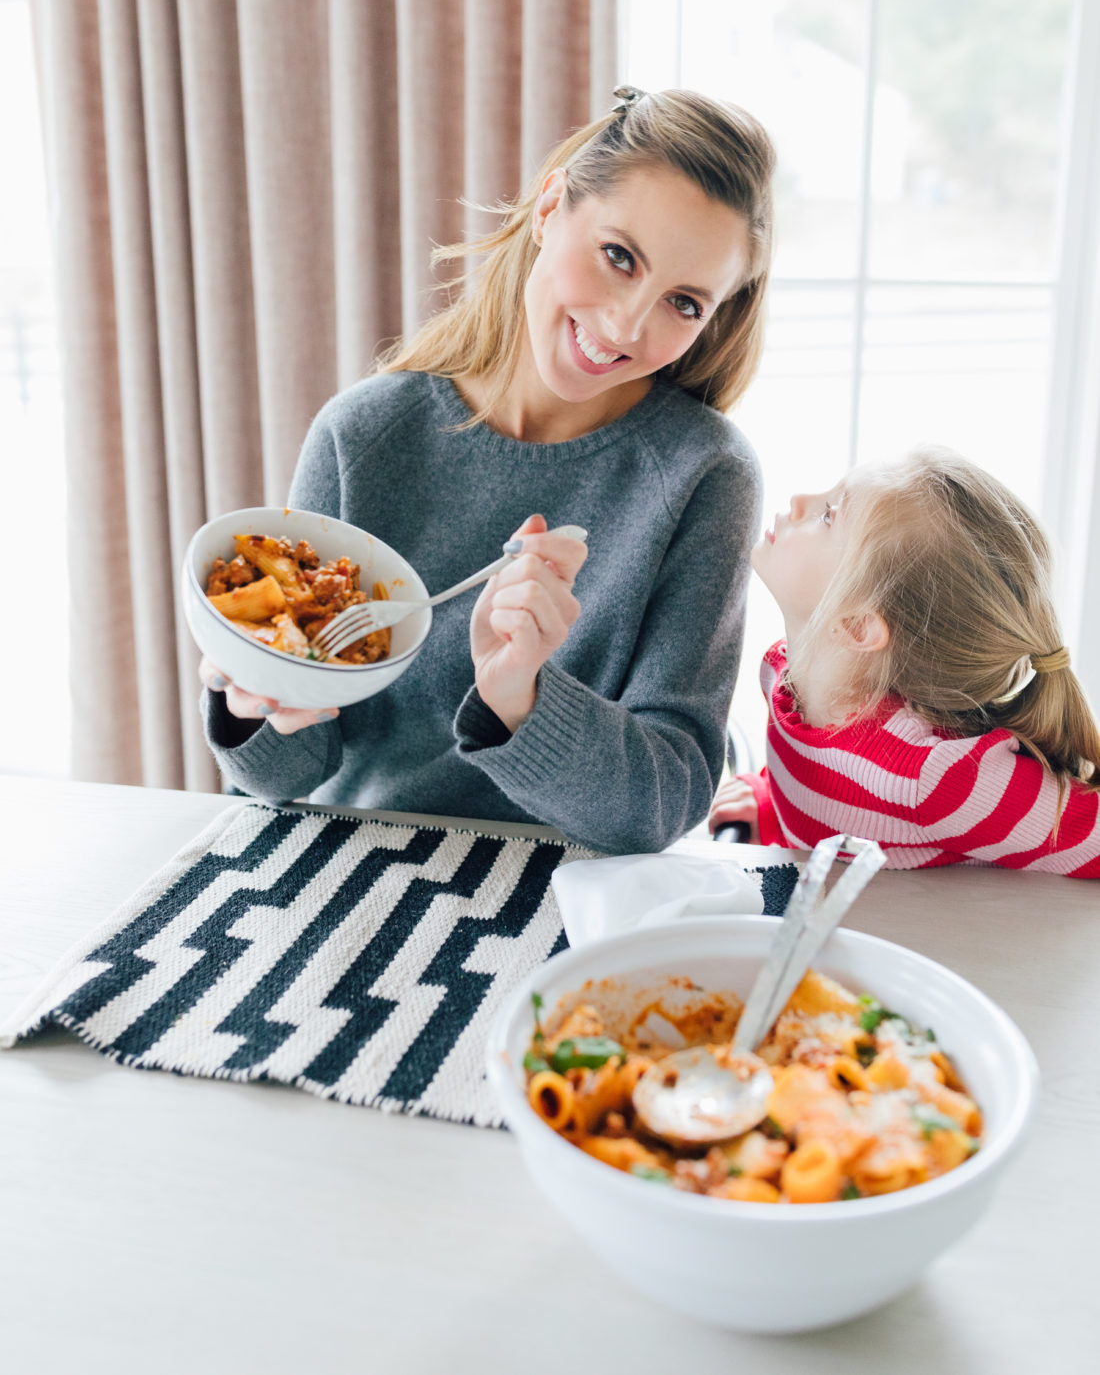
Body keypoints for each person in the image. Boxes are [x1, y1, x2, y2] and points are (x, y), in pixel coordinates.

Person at [200, 85, 775, 855]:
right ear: (549, 208)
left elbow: (663, 805)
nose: (627, 324)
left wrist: (521, 700)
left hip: (566, 898)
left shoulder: (706, 475)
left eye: (683, 303)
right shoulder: (365, 435)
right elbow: (280, 781)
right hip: (349, 870)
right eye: (618, 256)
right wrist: (258, 700)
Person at [709, 447, 1100, 876]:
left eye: (828, 516)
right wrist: (768, 800)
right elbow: (822, 775)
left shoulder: (932, 777)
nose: (800, 500)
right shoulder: (783, 670)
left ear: (858, 625)